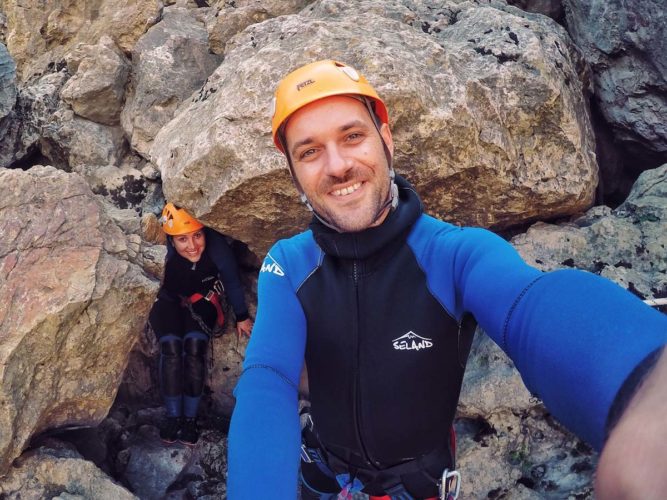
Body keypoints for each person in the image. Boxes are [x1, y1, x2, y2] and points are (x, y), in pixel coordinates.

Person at [227, 60, 667, 498]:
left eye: (352, 136)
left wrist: (644, 379)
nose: (338, 165)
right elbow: (268, 376)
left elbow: (528, 304)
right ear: (294, 175)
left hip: (417, 486)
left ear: (386, 139)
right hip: (321, 473)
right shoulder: (288, 264)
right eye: (309, 151)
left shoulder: (455, 253)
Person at [150, 202, 253, 446]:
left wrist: (241, 315)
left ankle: (190, 418)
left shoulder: (216, 248)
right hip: (168, 301)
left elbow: (231, 281)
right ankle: (173, 416)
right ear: (171, 240)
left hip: (203, 299)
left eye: (197, 236)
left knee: (195, 347)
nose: (193, 246)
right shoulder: (162, 250)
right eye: (183, 239)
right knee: (172, 348)